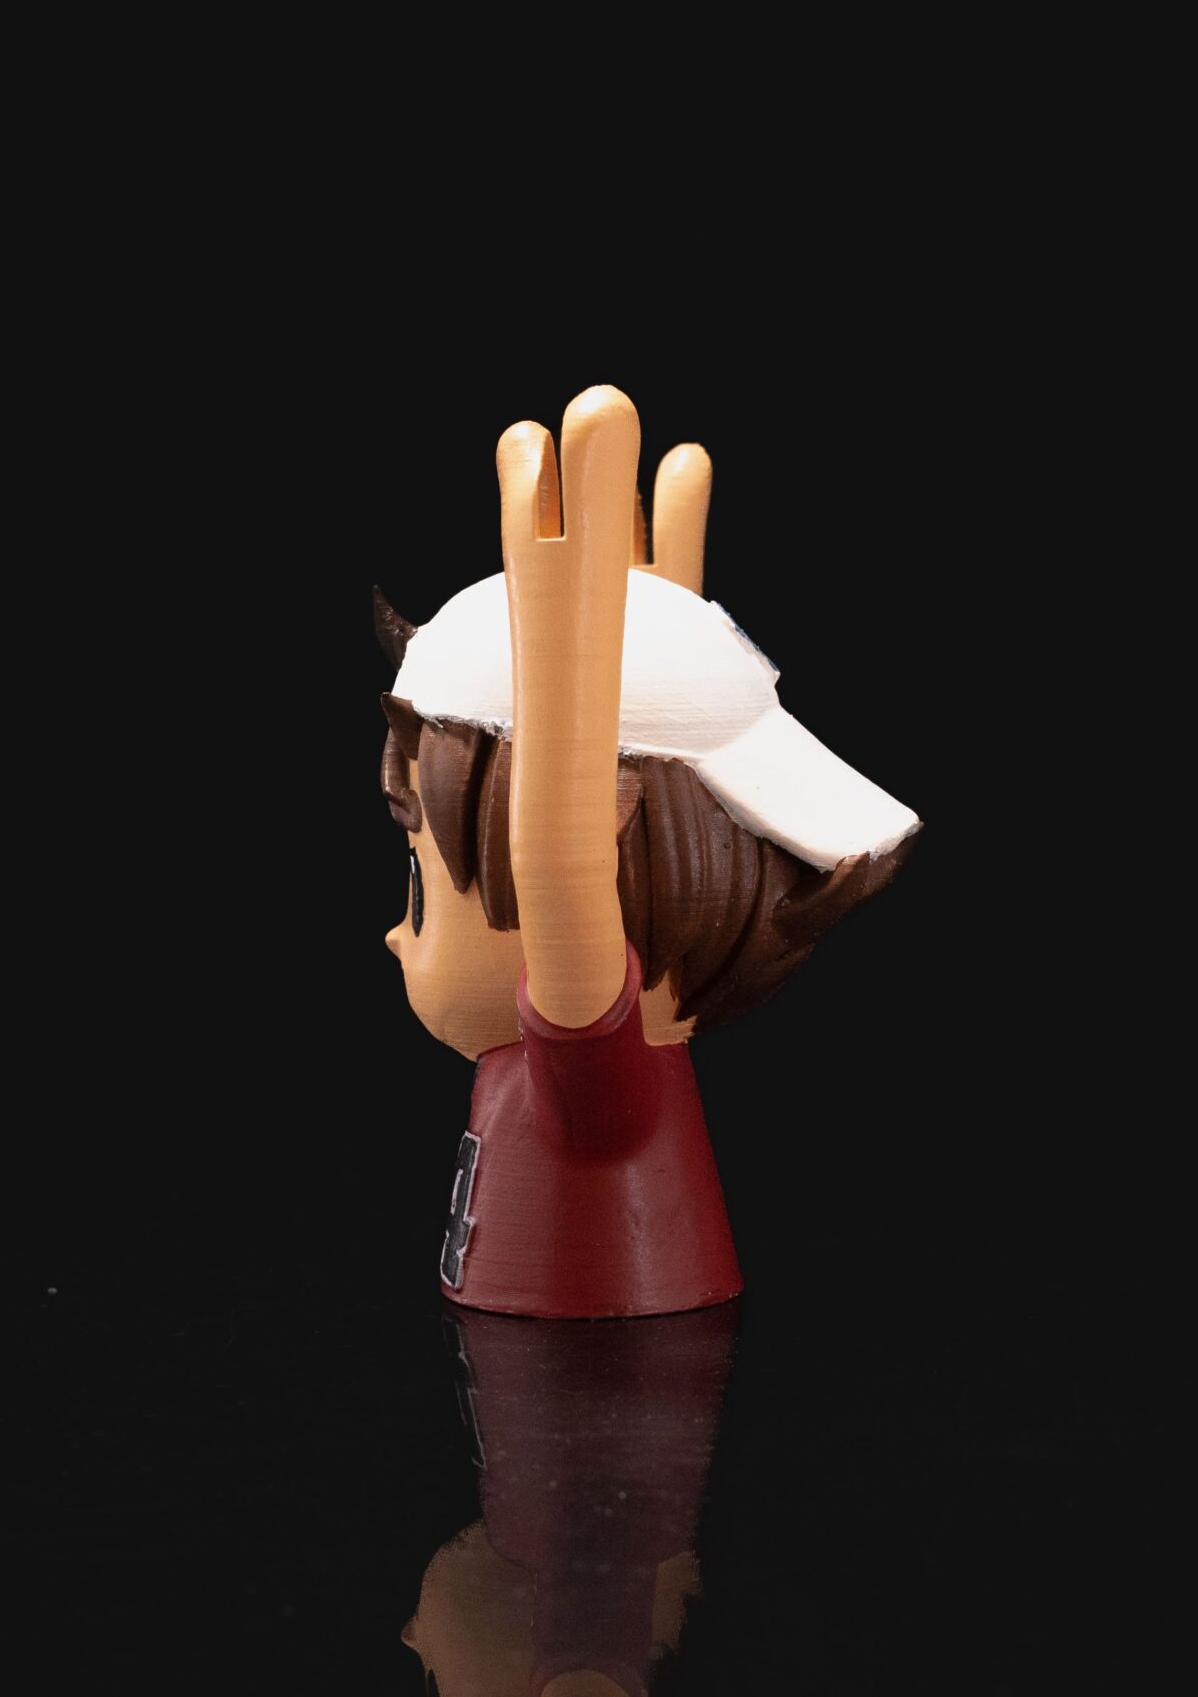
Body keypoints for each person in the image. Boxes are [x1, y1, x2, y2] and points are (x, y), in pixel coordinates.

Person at [378, 386, 919, 1318]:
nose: (396, 932)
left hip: (588, 1368)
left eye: (423, 888)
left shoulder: (593, 1071)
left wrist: (560, 805)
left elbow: (566, 898)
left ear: (575, 841)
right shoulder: (575, 1076)